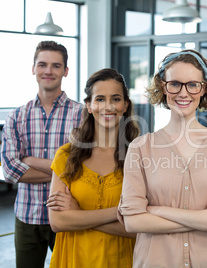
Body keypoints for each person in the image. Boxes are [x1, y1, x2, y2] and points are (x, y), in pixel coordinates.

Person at [118, 49, 207, 267]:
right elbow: (133, 220)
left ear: (204, 89)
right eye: (175, 83)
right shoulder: (140, 147)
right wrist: (206, 217)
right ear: (162, 86)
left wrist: (157, 211)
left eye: (193, 84)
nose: (183, 93)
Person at [46, 68, 139, 267]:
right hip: (74, 260)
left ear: (125, 105)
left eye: (115, 99)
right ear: (88, 105)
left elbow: (140, 228)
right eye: (99, 99)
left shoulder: (140, 156)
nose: (108, 106)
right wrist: (120, 212)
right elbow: (58, 222)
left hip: (121, 260)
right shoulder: (66, 155)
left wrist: (78, 214)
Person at [1, 41, 82, 268]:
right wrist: (62, 171)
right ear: (33, 68)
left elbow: (85, 166)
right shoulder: (16, 117)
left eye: (56, 66)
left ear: (65, 71)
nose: (49, 71)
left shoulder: (82, 115)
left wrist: (31, 161)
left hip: (69, 214)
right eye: (43, 65)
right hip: (27, 214)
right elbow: (9, 170)